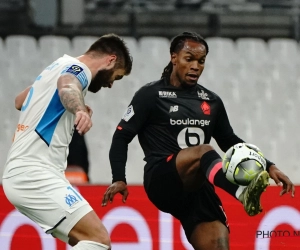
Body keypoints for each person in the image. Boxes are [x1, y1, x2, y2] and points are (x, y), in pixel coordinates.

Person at [101, 32, 295, 249]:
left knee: (218, 245)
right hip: (162, 179)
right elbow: (121, 136)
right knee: (203, 151)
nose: (196, 66)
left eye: (201, 61)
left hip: (197, 189)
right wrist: (119, 177)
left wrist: (269, 165)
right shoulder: (150, 95)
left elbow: (230, 140)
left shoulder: (211, 101)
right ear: (174, 58)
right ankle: (241, 192)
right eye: (189, 59)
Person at [2, 33, 132, 250]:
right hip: (34, 173)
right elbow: (67, 85)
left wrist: (72, 107)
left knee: (88, 242)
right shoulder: (77, 69)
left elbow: (20, 101)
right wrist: (79, 108)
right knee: (98, 240)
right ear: (110, 60)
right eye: (116, 76)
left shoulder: (56, 66)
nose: (111, 84)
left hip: (24, 173)